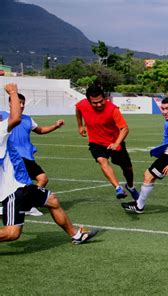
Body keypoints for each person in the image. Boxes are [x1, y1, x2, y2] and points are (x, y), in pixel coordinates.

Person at [0, 83, 97, 244]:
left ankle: (76, 234)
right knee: (12, 233)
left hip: (22, 185)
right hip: (12, 190)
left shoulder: (14, 124)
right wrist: (13, 91)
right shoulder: (1, 130)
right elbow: (15, 117)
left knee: (52, 200)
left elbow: (26, 122)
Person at [121, 96, 168, 214]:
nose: (164, 112)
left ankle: (139, 206)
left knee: (148, 176)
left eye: (167, 108)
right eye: (162, 109)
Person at [0, 93, 65, 217]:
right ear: (11, 103)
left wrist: (55, 126)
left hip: (27, 156)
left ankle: (22, 205)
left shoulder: (28, 119)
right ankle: (26, 205)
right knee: (39, 179)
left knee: (38, 180)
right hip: (15, 157)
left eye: (23, 103)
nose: (22, 105)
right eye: (19, 102)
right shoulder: (3, 115)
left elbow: (39, 130)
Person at [75, 84, 139, 200]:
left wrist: (117, 143)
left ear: (104, 98)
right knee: (102, 161)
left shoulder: (113, 109)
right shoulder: (82, 104)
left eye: (101, 101)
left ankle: (130, 186)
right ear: (89, 101)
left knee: (127, 168)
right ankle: (118, 188)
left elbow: (124, 129)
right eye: (95, 103)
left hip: (114, 142)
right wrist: (80, 126)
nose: (99, 105)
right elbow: (78, 109)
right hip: (96, 142)